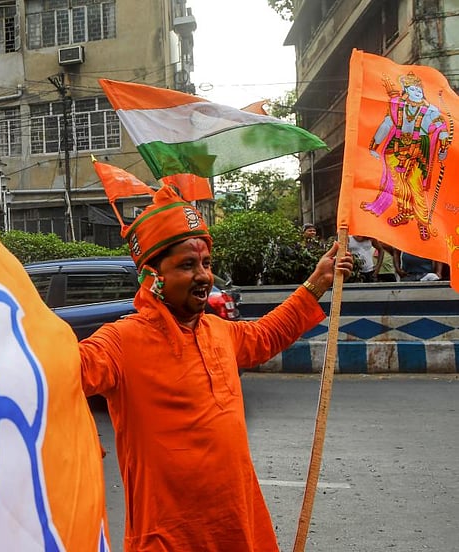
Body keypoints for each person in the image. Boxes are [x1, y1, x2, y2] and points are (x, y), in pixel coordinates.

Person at [78, 184, 353, 551]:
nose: (204, 276)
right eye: (187, 265)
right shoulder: (121, 341)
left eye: (206, 263)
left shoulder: (219, 332)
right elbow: (65, 372)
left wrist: (317, 282)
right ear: (153, 276)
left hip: (237, 525)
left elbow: (266, 334)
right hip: (168, 538)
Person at [361, 71, 450, 241]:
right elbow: (387, 124)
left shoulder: (430, 110)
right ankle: (404, 212)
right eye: (414, 90)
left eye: (420, 90)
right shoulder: (396, 106)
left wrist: (444, 145)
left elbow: (441, 127)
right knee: (398, 184)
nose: (418, 93)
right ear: (406, 91)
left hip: (418, 151)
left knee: (415, 184)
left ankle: (423, 223)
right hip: (396, 147)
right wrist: (374, 146)